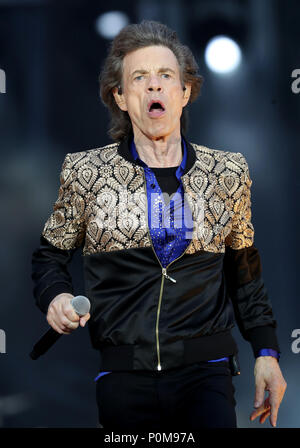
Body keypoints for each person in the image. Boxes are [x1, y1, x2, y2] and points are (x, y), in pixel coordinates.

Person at [31, 20, 286, 429]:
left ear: (184, 92)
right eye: (140, 78)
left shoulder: (227, 173)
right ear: (120, 95)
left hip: (208, 372)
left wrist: (267, 354)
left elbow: (246, 275)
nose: (154, 86)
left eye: (165, 76)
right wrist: (56, 298)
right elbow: (48, 260)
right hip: (124, 375)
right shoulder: (86, 172)